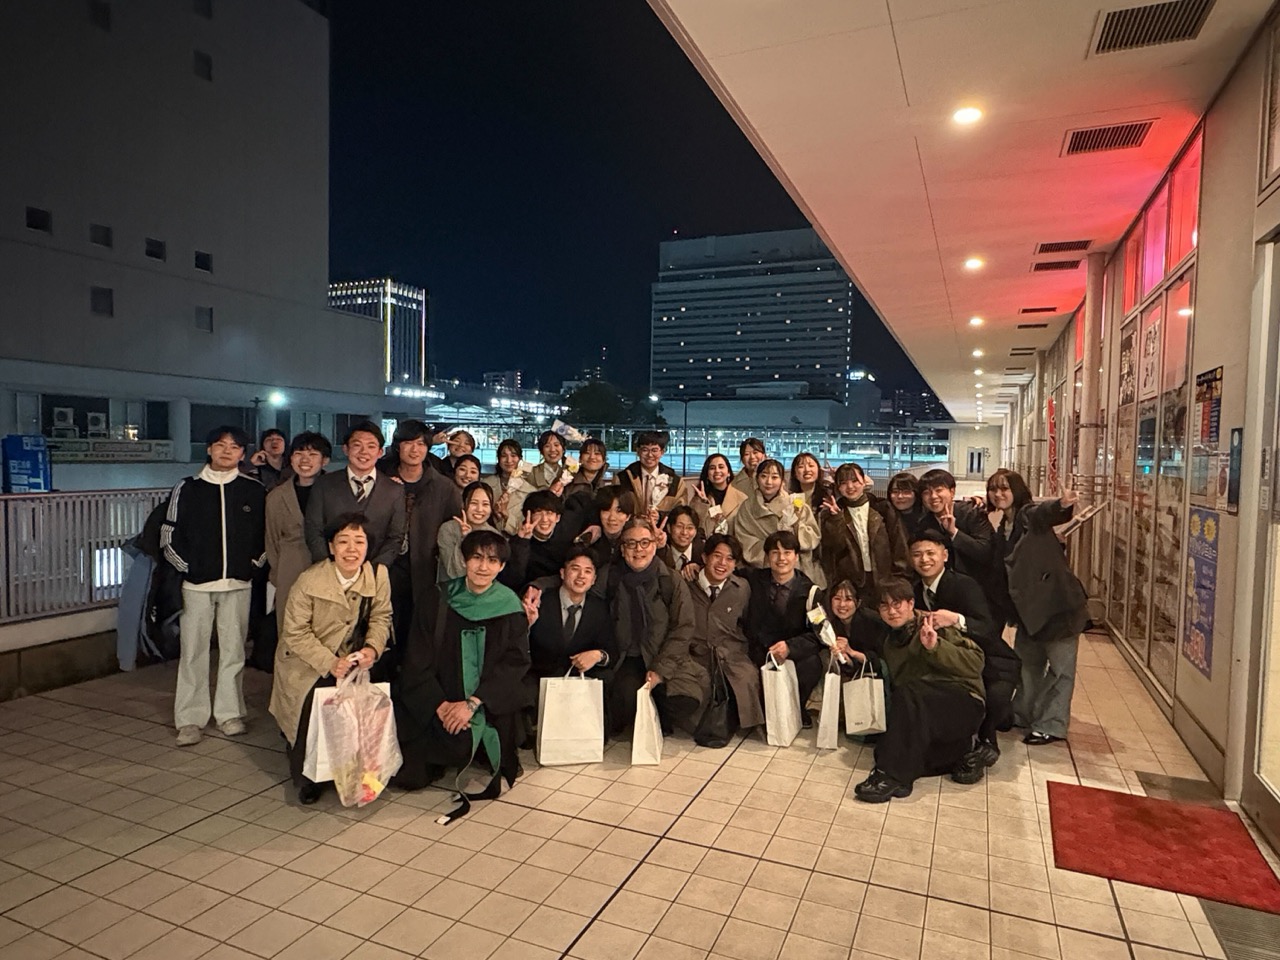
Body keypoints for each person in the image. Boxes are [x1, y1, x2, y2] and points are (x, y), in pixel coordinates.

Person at [393, 530, 530, 798]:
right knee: (412, 777)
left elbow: (515, 664)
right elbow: (416, 659)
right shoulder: (436, 599)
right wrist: (441, 706)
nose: (483, 567)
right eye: (476, 557)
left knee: (471, 742)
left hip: (486, 701)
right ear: (464, 560)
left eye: (492, 560)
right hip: (441, 696)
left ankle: (476, 746)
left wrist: (472, 704)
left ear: (502, 567)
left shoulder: (510, 607)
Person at [270, 513, 391, 804]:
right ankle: (309, 777)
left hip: (353, 657)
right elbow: (294, 633)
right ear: (331, 547)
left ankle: (359, 771)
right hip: (307, 660)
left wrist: (372, 649)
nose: (352, 549)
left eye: (359, 542)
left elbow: (381, 617)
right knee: (314, 701)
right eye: (343, 542)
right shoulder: (309, 580)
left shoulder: (377, 575)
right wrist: (329, 663)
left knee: (371, 701)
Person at [161, 426, 267, 746]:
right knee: (192, 652)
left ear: (243, 454)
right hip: (195, 585)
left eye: (234, 447)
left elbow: (265, 535)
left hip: (238, 583)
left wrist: (252, 565)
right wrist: (188, 568)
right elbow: (168, 533)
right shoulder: (187, 487)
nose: (226, 451)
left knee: (234, 652)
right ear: (209, 449)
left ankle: (229, 714)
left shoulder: (254, 490)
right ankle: (190, 719)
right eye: (220, 445)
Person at [853, 579, 986, 802]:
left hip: (962, 701)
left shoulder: (933, 625)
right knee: (890, 748)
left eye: (897, 604)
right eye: (885, 606)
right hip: (924, 711)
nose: (892, 611)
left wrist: (935, 647)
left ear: (911, 603)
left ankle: (890, 776)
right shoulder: (890, 640)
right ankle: (962, 751)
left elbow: (975, 663)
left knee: (909, 696)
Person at [985, 469, 1088, 746]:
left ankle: (1051, 724)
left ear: (1017, 491)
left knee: (1059, 670)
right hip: (1028, 613)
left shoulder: (1027, 515)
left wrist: (1062, 504)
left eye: (1005, 488)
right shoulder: (1003, 524)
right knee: (1027, 665)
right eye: (994, 489)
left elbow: (1045, 514)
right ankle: (1022, 713)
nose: (998, 494)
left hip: (1057, 608)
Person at [909, 530, 1019, 767]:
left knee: (992, 702)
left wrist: (956, 619)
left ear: (945, 555)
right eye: (917, 554)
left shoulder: (964, 585)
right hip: (947, 660)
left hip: (990, 661)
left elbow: (988, 628)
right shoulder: (913, 590)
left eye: (930, 553)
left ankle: (988, 739)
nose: (924, 559)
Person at [605, 517, 706, 737]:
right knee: (626, 698)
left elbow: (683, 628)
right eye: (631, 543)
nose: (638, 549)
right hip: (628, 657)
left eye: (645, 542)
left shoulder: (670, 579)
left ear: (654, 545)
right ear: (622, 549)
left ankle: (661, 714)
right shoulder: (610, 578)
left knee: (685, 698)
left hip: (665, 654)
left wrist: (661, 669)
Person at [521, 547, 616, 718]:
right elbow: (517, 646)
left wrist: (598, 655)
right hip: (540, 675)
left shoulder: (599, 608)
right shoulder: (540, 602)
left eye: (588, 571)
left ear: (594, 580)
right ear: (563, 573)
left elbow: (611, 649)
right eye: (575, 569)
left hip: (579, 679)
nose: (581, 576)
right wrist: (527, 625)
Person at [742, 531, 824, 729]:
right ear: (767, 556)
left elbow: (819, 634)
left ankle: (797, 707)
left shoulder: (811, 591)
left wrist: (790, 647)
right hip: (758, 649)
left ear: (796, 557)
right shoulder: (753, 579)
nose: (781, 558)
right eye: (775, 553)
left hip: (791, 651)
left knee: (813, 664)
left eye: (787, 552)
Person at [685, 534, 765, 732]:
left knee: (746, 676)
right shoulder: (686, 584)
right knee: (696, 683)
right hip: (695, 653)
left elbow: (747, 623)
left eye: (730, 559)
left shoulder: (741, 588)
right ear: (705, 557)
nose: (722, 563)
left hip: (730, 652)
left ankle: (742, 723)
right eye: (717, 556)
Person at [305, 421, 406, 569]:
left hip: (375, 574)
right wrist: (328, 567)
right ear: (346, 449)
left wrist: (374, 570)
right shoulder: (324, 484)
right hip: (330, 572)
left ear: (380, 452)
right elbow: (313, 530)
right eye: (357, 445)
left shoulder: (394, 490)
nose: (364, 452)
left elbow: (395, 537)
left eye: (371, 446)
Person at [265, 432, 331, 635]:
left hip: (329, 566)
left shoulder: (337, 490)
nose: (305, 460)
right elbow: (272, 540)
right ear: (291, 458)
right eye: (299, 453)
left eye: (313, 454)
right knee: (290, 627)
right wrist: (279, 573)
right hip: (290, 567)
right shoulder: (277, 496)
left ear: (325, 460)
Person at [819, 462, 910, 604]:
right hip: (852, 583)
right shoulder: (834, 512)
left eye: (855, 481)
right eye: (843, 483)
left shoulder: (882, 507)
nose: (850, 486)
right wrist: (836, 518)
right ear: (838, 487)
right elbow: (835, 547)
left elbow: (899, 543)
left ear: (864, 481)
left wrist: (899, 577)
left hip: (885, 579)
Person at [729, 458, 823, 587]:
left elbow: (813, 537)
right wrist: (772, 554)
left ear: (782, 481)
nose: (769, 482)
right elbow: (745, 541)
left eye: (774, 477)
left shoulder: (796, 504)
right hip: (761, 573)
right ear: (757, 479)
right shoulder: (747, 508)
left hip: (798, 571)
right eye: (764, 476)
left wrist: (795, 527)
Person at [918, 469, 993, 584]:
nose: (933, 496)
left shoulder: (972, 512)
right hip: (944, 585)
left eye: (939, 490)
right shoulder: (924, 523)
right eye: (926, 493)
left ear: (952, 492)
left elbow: (985, 552)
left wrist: (954, 532)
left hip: (978, 583)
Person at [437, 481, 501, 581]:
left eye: (485, 504)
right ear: (463, 504)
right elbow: (454, 572)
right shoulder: (448, 529)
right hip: (451, 588)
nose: (479, 509)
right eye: (474, 503)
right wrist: (466, 539)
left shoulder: (494, 535)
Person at [618, 431, 683, 517]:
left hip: (662, 525)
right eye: (645, 450)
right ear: (638, 451)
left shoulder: (675, 481)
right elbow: (616, 508)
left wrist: (659, 516)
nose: (650, 455)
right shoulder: (622, 478)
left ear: (662, 452)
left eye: (654, 450)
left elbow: (680, 513)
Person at [685, 453, 746, 536]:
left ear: (728, 472)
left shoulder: (742, 498)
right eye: (712, 468)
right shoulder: (698, 499)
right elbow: (694, 526)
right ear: (707, 474)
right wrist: (703, 503)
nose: (717, 471)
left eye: (721, 467)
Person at [485, 438, 524, 528]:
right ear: (498, 459)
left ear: (520, 459)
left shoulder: (529, 489)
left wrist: (506, 516)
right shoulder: (486, 484)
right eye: (504, 456)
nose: (509, 460)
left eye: (513, 455)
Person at [661, 505, 704, 579]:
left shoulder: (703, 553)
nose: (684, 532)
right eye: (679, 526)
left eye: (690, 528)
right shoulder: (660, 551)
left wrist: (701, 569)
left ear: (696, 531)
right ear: (669, 528)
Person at [887, 472, 926, 543]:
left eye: (906, 492)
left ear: (916, 494)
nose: (900, 496)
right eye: (895, 492)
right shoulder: (885, 517)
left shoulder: (926, 520)